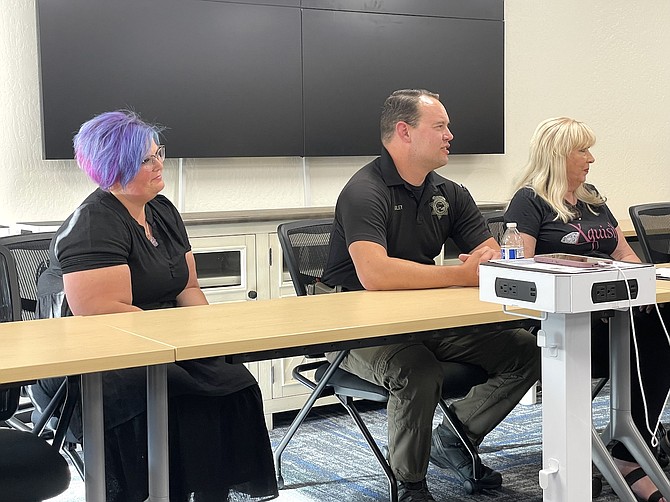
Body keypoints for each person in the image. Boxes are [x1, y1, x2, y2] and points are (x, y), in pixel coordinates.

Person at [30, 110, 279, 502]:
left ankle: (209, 493)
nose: (159, 163)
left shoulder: (162, 211)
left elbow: (189, 287)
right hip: (102, 360)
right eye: (146, 159)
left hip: (162, 340)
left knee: (236, 382)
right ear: (114, 168)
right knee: (178, 396)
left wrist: (211, 337)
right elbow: (103, 316)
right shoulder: (93, 225)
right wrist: (178, 341)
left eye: (158, 152)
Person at [321, 89, 541, 502]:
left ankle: (454, 438)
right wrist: (460, 274)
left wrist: (487, 255)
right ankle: (410, 484)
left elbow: (488, 251)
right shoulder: (364, 191)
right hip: (355, 327)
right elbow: (374, 274)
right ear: (404, 132)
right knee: (417, 370)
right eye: (439, 126)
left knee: (527, 351)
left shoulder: (449, 192)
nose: (450, 135)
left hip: (426, 319)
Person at [505, 116, 670, 502]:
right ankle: (629, 458)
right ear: (557, 154)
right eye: (582, 150)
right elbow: (522, 270)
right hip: (565, 322)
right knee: (655, 335)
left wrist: (638, 284)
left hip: (613, 312)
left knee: (663, 324)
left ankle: (630, 447)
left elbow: (625, 254)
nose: (590, 158)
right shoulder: (530, 201)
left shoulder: (592, 197)